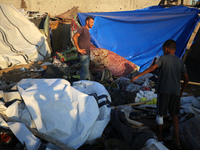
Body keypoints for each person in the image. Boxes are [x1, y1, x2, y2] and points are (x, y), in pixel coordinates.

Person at [131, 39, 189, 148]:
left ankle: (160, 138)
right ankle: (177, 142)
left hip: (164, 91)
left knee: (160, 114)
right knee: (174, 115)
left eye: (163, 49)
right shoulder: (180, 62)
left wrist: (137, 76)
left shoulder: (163, 59)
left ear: (166, 49)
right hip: (175, 92)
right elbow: (187, 80)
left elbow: (152, 68)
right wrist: (182, 91)